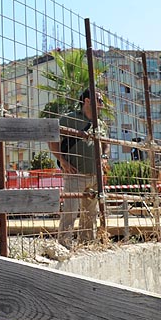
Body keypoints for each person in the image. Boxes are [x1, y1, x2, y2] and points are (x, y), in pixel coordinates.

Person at [48, 88, 109, 246]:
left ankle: (87, 244)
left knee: (91, 214)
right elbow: (52, 139)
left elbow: (106, 144)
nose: (102, 104)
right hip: (75, 174)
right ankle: (64, 245)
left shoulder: (100, 124)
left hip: (95, 176)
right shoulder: (69, 119)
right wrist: (62, 160)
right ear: (87, 101)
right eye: (99, 100)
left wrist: (104, 158)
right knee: (70, 211)